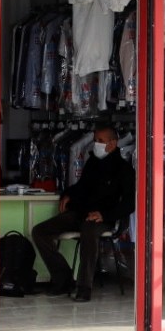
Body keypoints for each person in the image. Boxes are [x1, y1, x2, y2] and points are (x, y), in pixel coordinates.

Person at [31, 124, 134, 302]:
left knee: (88, 231)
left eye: (100, 141)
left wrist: (105, 215)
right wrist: (68, 194)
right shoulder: (93, 163)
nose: (96, 144)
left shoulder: (124, 169)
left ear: (112, 143)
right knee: (40, 231)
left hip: (105, 219)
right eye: (95, 140)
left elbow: (129, 203)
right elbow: (81, 187)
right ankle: (63, 279)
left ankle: (84, 287)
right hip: (80, 213)